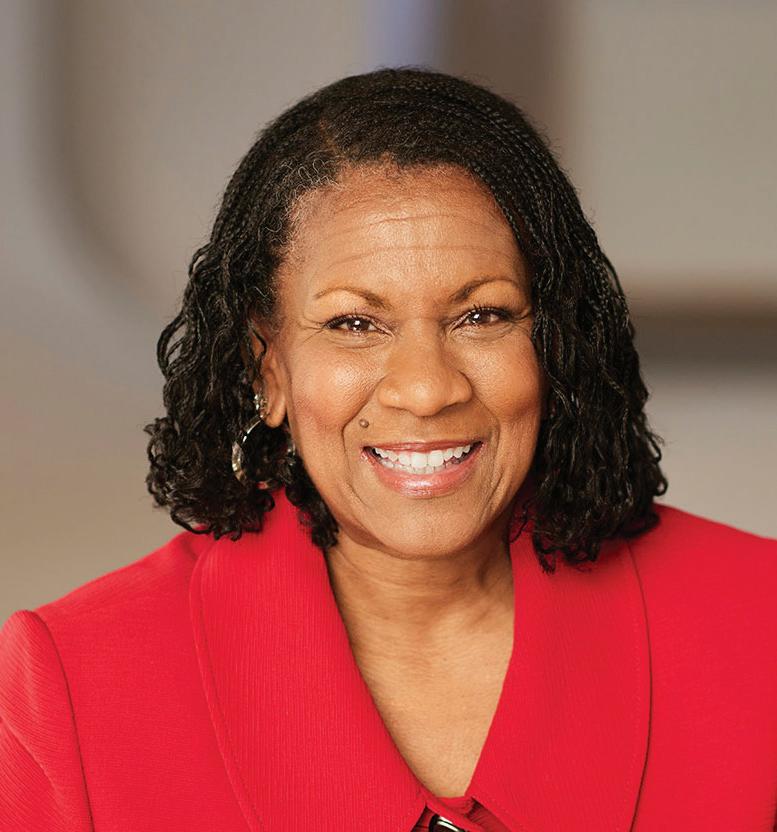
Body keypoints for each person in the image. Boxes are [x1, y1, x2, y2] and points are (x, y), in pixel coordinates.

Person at [1, 67, 775, 832]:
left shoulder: (760, 628)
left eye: (482, 316)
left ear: (555, 342)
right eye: (354, 324)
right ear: (267, 367)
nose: (426, 389)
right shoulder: (70, 690)